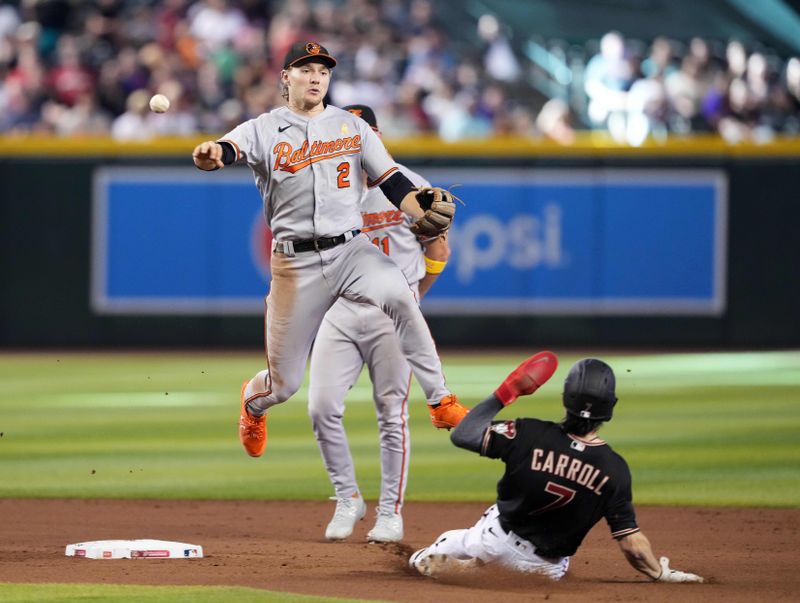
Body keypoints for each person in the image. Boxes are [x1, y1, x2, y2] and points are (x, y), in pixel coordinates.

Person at [191, 41, 468, 460]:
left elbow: (394, 183)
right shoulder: (262, 128)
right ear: (287, 77)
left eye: (323, 70)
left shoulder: (351, 127)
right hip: (295, 263)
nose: (316, 76)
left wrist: (418, 212)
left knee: (401, 296)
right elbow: (226, 151)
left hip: (351, 250)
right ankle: (253, 403)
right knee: (284, 384)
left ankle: (441, 402)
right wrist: (211, 154)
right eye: (306, 70)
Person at [409, 351, 705, 584]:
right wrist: (660, 574)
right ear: (610, 407)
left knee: (433, 553)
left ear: (566, 397)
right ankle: (484, 573)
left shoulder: (529, 433)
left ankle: (458, 566)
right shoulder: (614, 470)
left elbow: (463, 434)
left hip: (493, 542)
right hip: (545, 570)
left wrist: (504, 393)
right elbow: (632, 545)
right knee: (538, 572)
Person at [308, 104, 451, 543]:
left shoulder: (409, 187)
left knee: (391, 413)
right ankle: (347, 497)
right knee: (321, 406)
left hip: (392, 314)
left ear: (374, 136)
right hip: (344, 310)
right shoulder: (327, 191)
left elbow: (439, 250)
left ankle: (390, 512)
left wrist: (412, 300)